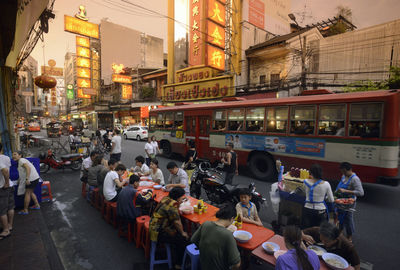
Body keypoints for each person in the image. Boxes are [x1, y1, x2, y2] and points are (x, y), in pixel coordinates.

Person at [149, 187, 189, 269]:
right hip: (158, 232)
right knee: (182, 239)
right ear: (178, 197)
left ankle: (174, 250)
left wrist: (180, 201)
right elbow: (177, 222)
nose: (182, 199)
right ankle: (178, 264)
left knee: (180, 230)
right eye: (182, 197)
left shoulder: (166, 198)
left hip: (154, 225)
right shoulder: (172, 205)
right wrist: (183, 233)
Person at [191, 204, 241, 270]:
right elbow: (237, 264)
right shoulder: (227, 235)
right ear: (232, 218)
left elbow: (193, 240)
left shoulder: (206, 224)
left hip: (203, 266)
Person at [335, 162, 364, 242]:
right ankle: (339, 233)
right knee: (340, 218)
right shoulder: (344, 176)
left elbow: (361, 193)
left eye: (344, 172)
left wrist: (346, 191)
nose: (343, 174)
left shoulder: (355, 179)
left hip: (349, 202)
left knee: (348, 220)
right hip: (341, 201)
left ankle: (349, 237)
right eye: (342, 172)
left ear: (350, 170)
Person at [301, 164, 334, 229]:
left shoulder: (305, 182)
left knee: (307, 230)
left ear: (311, 173)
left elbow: (304, 192)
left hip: (307, 209)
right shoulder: (326, 184)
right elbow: (331, 200)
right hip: (320, 211)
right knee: (320, 231)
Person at [0, 143, 13, 239]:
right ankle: (10, 225)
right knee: (10, 207)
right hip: (10, 186)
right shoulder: (6, 157)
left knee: (2, 211)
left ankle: (5, 230)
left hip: (3, 187)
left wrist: (6, 182)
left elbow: (5, 170)